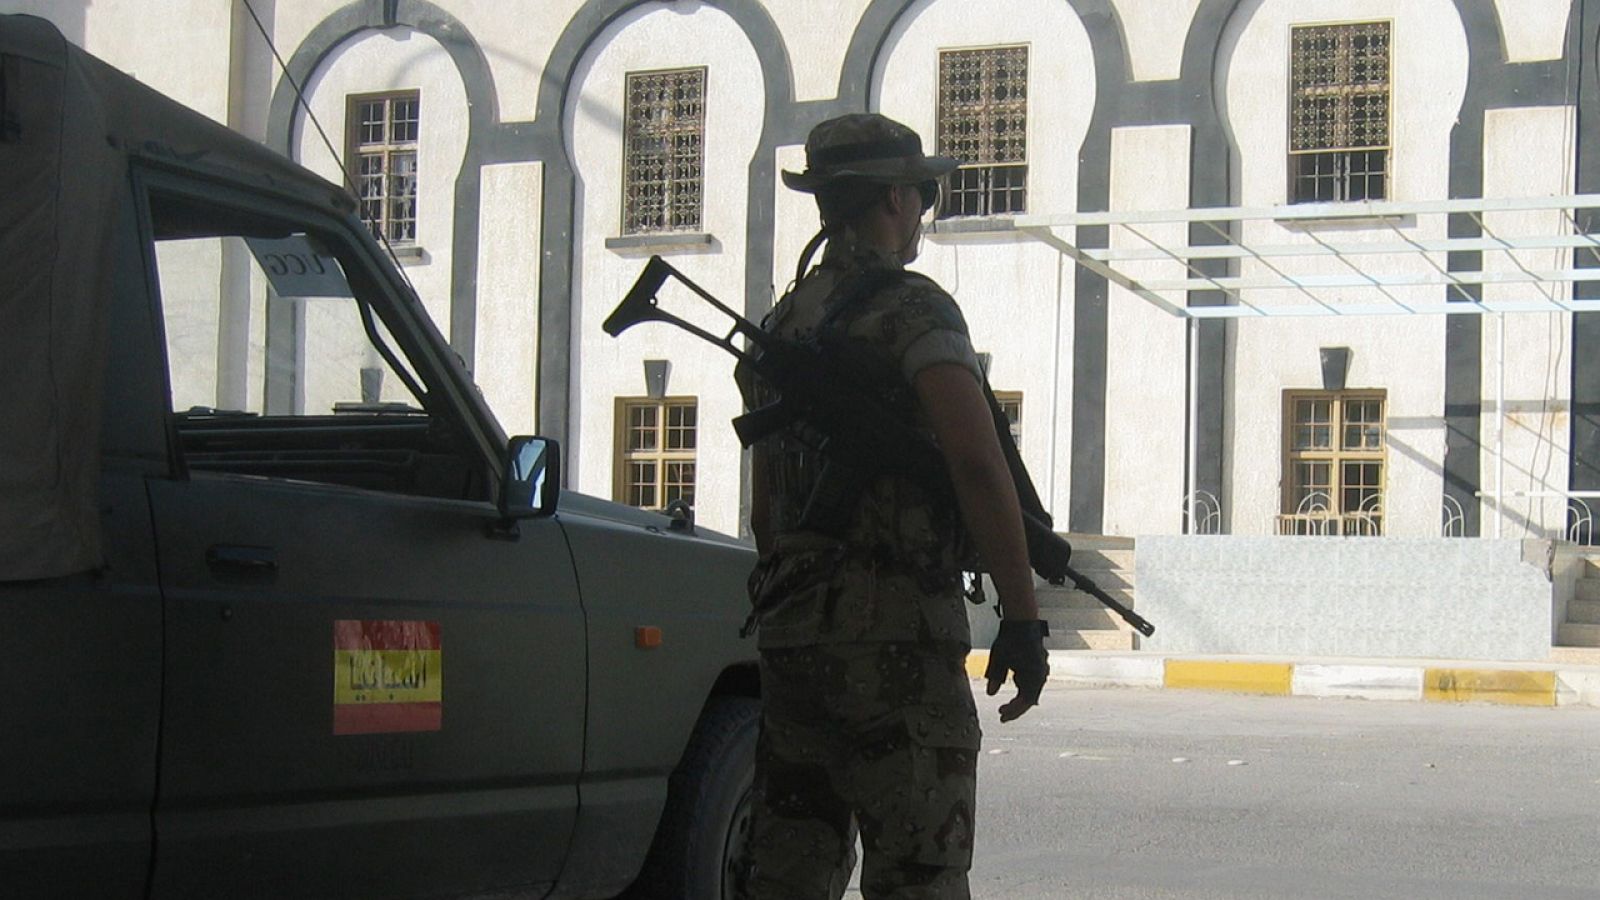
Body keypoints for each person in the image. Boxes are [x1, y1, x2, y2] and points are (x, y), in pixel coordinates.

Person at [737, 112, 1049, 900]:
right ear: (893, 199)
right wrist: (1021, 616)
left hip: (793, 640)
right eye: (921, 196)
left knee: (787, 873)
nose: (923, 215)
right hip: (899, 645)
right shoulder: (913, 311)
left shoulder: (782, 324)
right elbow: (978, 464)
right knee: (918, 875)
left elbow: (767, 512)